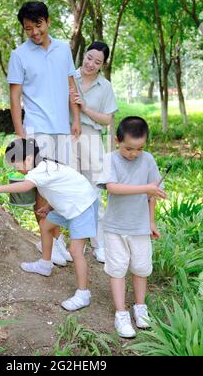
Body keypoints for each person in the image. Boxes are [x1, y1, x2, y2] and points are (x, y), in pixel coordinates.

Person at [0, 138, 98, 311]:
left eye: (16, 164)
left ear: (27, 159)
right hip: (69, 204)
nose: (16, 169)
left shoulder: (40, 170)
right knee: (46, 225)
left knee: (75, 251)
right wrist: (50, 207)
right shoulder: (43, 166)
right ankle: (45, 264)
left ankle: (83, 294)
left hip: (82, 207)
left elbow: (24, 187)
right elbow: (62, 188)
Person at [7, 1, 81, 267]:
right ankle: (48, 246)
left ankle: (55, 240)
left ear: (47, 21)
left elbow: (71, 86)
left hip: (62, 129)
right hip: (36, 130)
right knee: (41, 188)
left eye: (38, 25)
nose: (35, 33)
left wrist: (76, 119)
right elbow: (15, 98)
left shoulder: (63, 49)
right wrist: (20, 134)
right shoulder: (19, 55)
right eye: (28, 29)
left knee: (59, 188)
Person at [97, 117, 166, 338]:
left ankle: (140, 306)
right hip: (115, 227)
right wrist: (145, 187)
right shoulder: (110, 159)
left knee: (141, 267)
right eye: (128, 148)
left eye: (139, 148)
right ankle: (121, 313)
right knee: (117, 269)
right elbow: (113, 188)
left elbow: (152, 195)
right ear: (117, 140)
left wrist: (152, 222)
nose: (134, 153)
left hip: (139, 226)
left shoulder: (148, 160)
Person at [71, 41, 118, 263]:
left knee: (93, 192)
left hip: (91, 138)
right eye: (89, 58)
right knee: (68, 190)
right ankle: (69, 242)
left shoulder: (105, 86)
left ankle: (98, 244)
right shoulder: (70, 77)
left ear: (102, 65)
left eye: (97, 62)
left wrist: (86, 108)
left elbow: (108, 119)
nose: (91, 64)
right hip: (67, 137)